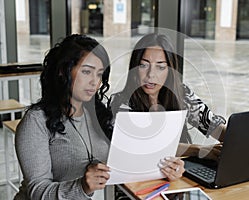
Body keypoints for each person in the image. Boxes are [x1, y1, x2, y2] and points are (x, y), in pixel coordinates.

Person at [14, 34, 184, 200]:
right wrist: (82, 186)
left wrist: (166, 170)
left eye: (99, 74)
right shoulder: (36, 121)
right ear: (62, 71)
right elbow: (37, 192)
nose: (95, 82)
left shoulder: (99, 115)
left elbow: (129, 163)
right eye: (87, 72)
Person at [109, 33, 226, 161]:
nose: (151, 75)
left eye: (160, 67)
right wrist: (198, 150)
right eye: (144, 65)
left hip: (178, 173)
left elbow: (214, 127)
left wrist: (239, 139)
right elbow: (145, 146)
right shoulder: (120, 102)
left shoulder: (183, 94)